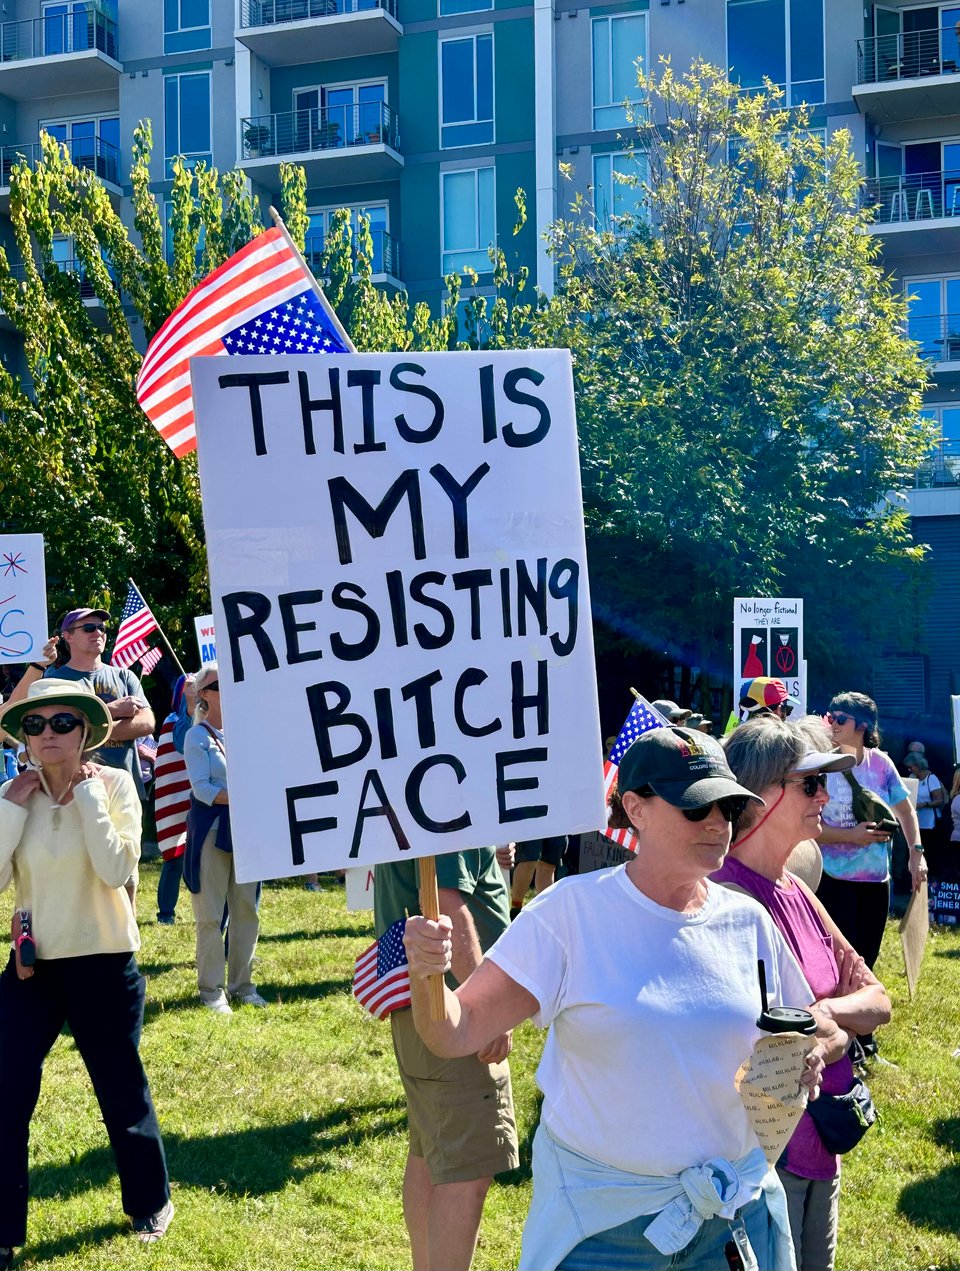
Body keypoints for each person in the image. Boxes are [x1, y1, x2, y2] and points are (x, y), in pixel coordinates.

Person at [402, 727, 837, 1271]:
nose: (717, 822)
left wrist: (810, 1052)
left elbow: (803, 1026)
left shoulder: (747, 921)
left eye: (727, 806)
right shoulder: (570, 914)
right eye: (695, 806)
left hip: (730, 1223)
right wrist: (426, 973)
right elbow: (453, 1031)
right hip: (606, 1234)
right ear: (636, 809)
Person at [0, 680, 173, 1268]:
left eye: (62, 723)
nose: (47, 734)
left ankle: (150, 1201)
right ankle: (2, 1229)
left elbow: (116, 867)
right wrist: (9, 808)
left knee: (119, 1085)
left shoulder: (117, 784)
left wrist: (90, 798)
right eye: (35, 724)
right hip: (32, 968)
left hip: (104, 961)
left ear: (85, 732)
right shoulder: (10, 793)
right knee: (6, 1088)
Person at [719, 717, 892, 1271]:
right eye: (810, 784)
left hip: (824, 1144)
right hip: (765, 1154)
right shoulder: (723, 898)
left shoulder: (797, 890)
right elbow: (760, 1034)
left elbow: (879, 1003)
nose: (826, 795)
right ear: (758, 796)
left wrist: (823, 1014)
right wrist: (838, 1021)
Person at [374, 847, 519, 1271]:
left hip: (430, 1002)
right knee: (465, 1172)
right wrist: (486, 1011)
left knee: (431, 1153)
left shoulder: (426, 799)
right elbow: (446, 905)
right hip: (454, 1009)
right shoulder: (444, 796)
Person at [818, 693, 926, 973]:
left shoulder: (881, 764)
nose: (833, 723)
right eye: (831, 716)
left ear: (863, 726)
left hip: (877, 880)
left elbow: (906, 812)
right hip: (833, 878)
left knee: (868, 960)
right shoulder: (821, 768)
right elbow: (809, 829)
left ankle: (860, 1014)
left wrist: (917, 853)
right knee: (838, 963)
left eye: (841, 718)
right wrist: (850, 836)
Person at [183, 664, 264, 1013]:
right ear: (204, 693)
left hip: (248, 831)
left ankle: (243, 985)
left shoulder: (250, 732)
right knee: (211, 915)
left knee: (248, 910)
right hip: (212, 830)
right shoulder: (196, 736)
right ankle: (212, 990)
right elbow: (203, 790)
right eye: (220, 683)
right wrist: (246, 795)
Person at [154, 675, 193, 924]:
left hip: (198, 795)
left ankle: (206, 904)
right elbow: (181, 743)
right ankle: (166, 913)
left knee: (200, 856)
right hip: (174, 796)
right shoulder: (173, 722)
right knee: (175, 858)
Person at [509, 835, 567, 919]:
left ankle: (545, 912)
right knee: (529, 860)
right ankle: (515, 911)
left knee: (549, 864)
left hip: (557, 823)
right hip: (530, 822)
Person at [903, 751, 945, 863]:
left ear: (918, 765)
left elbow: (939, 800)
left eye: (910, 767)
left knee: (930, 853)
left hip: (930, 823)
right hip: (917, 823)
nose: (909, 770)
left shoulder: (931, 778)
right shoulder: (913, 779)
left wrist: (923, 804)